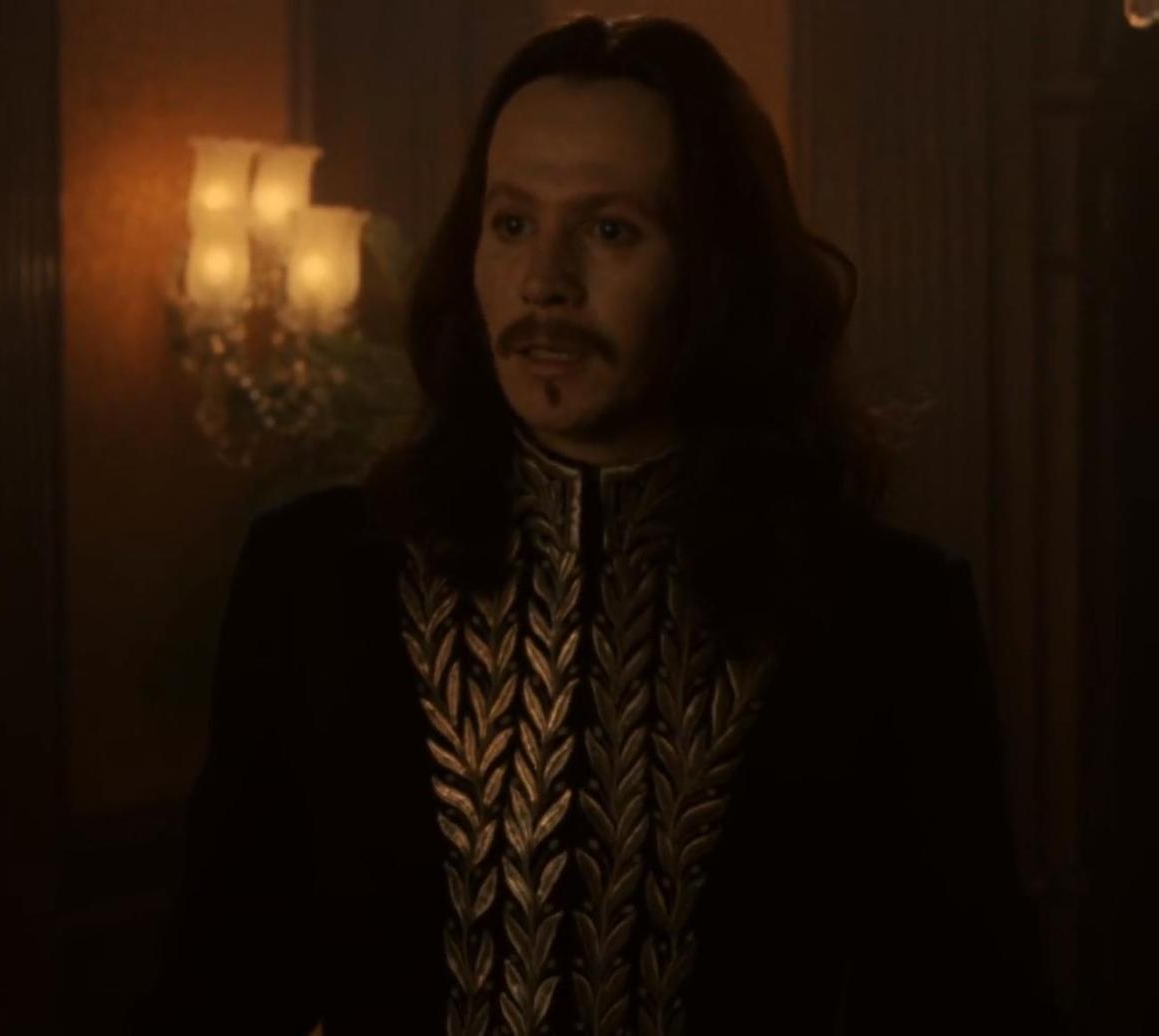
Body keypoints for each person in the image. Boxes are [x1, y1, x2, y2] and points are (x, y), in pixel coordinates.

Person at [138, 14, 1054, 1036]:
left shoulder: (882, 613)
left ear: (717, 270)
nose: (545, 281)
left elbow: (968, 1004)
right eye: (511, 223)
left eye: (611, 230)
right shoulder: (318, 576)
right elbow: (214, 990)